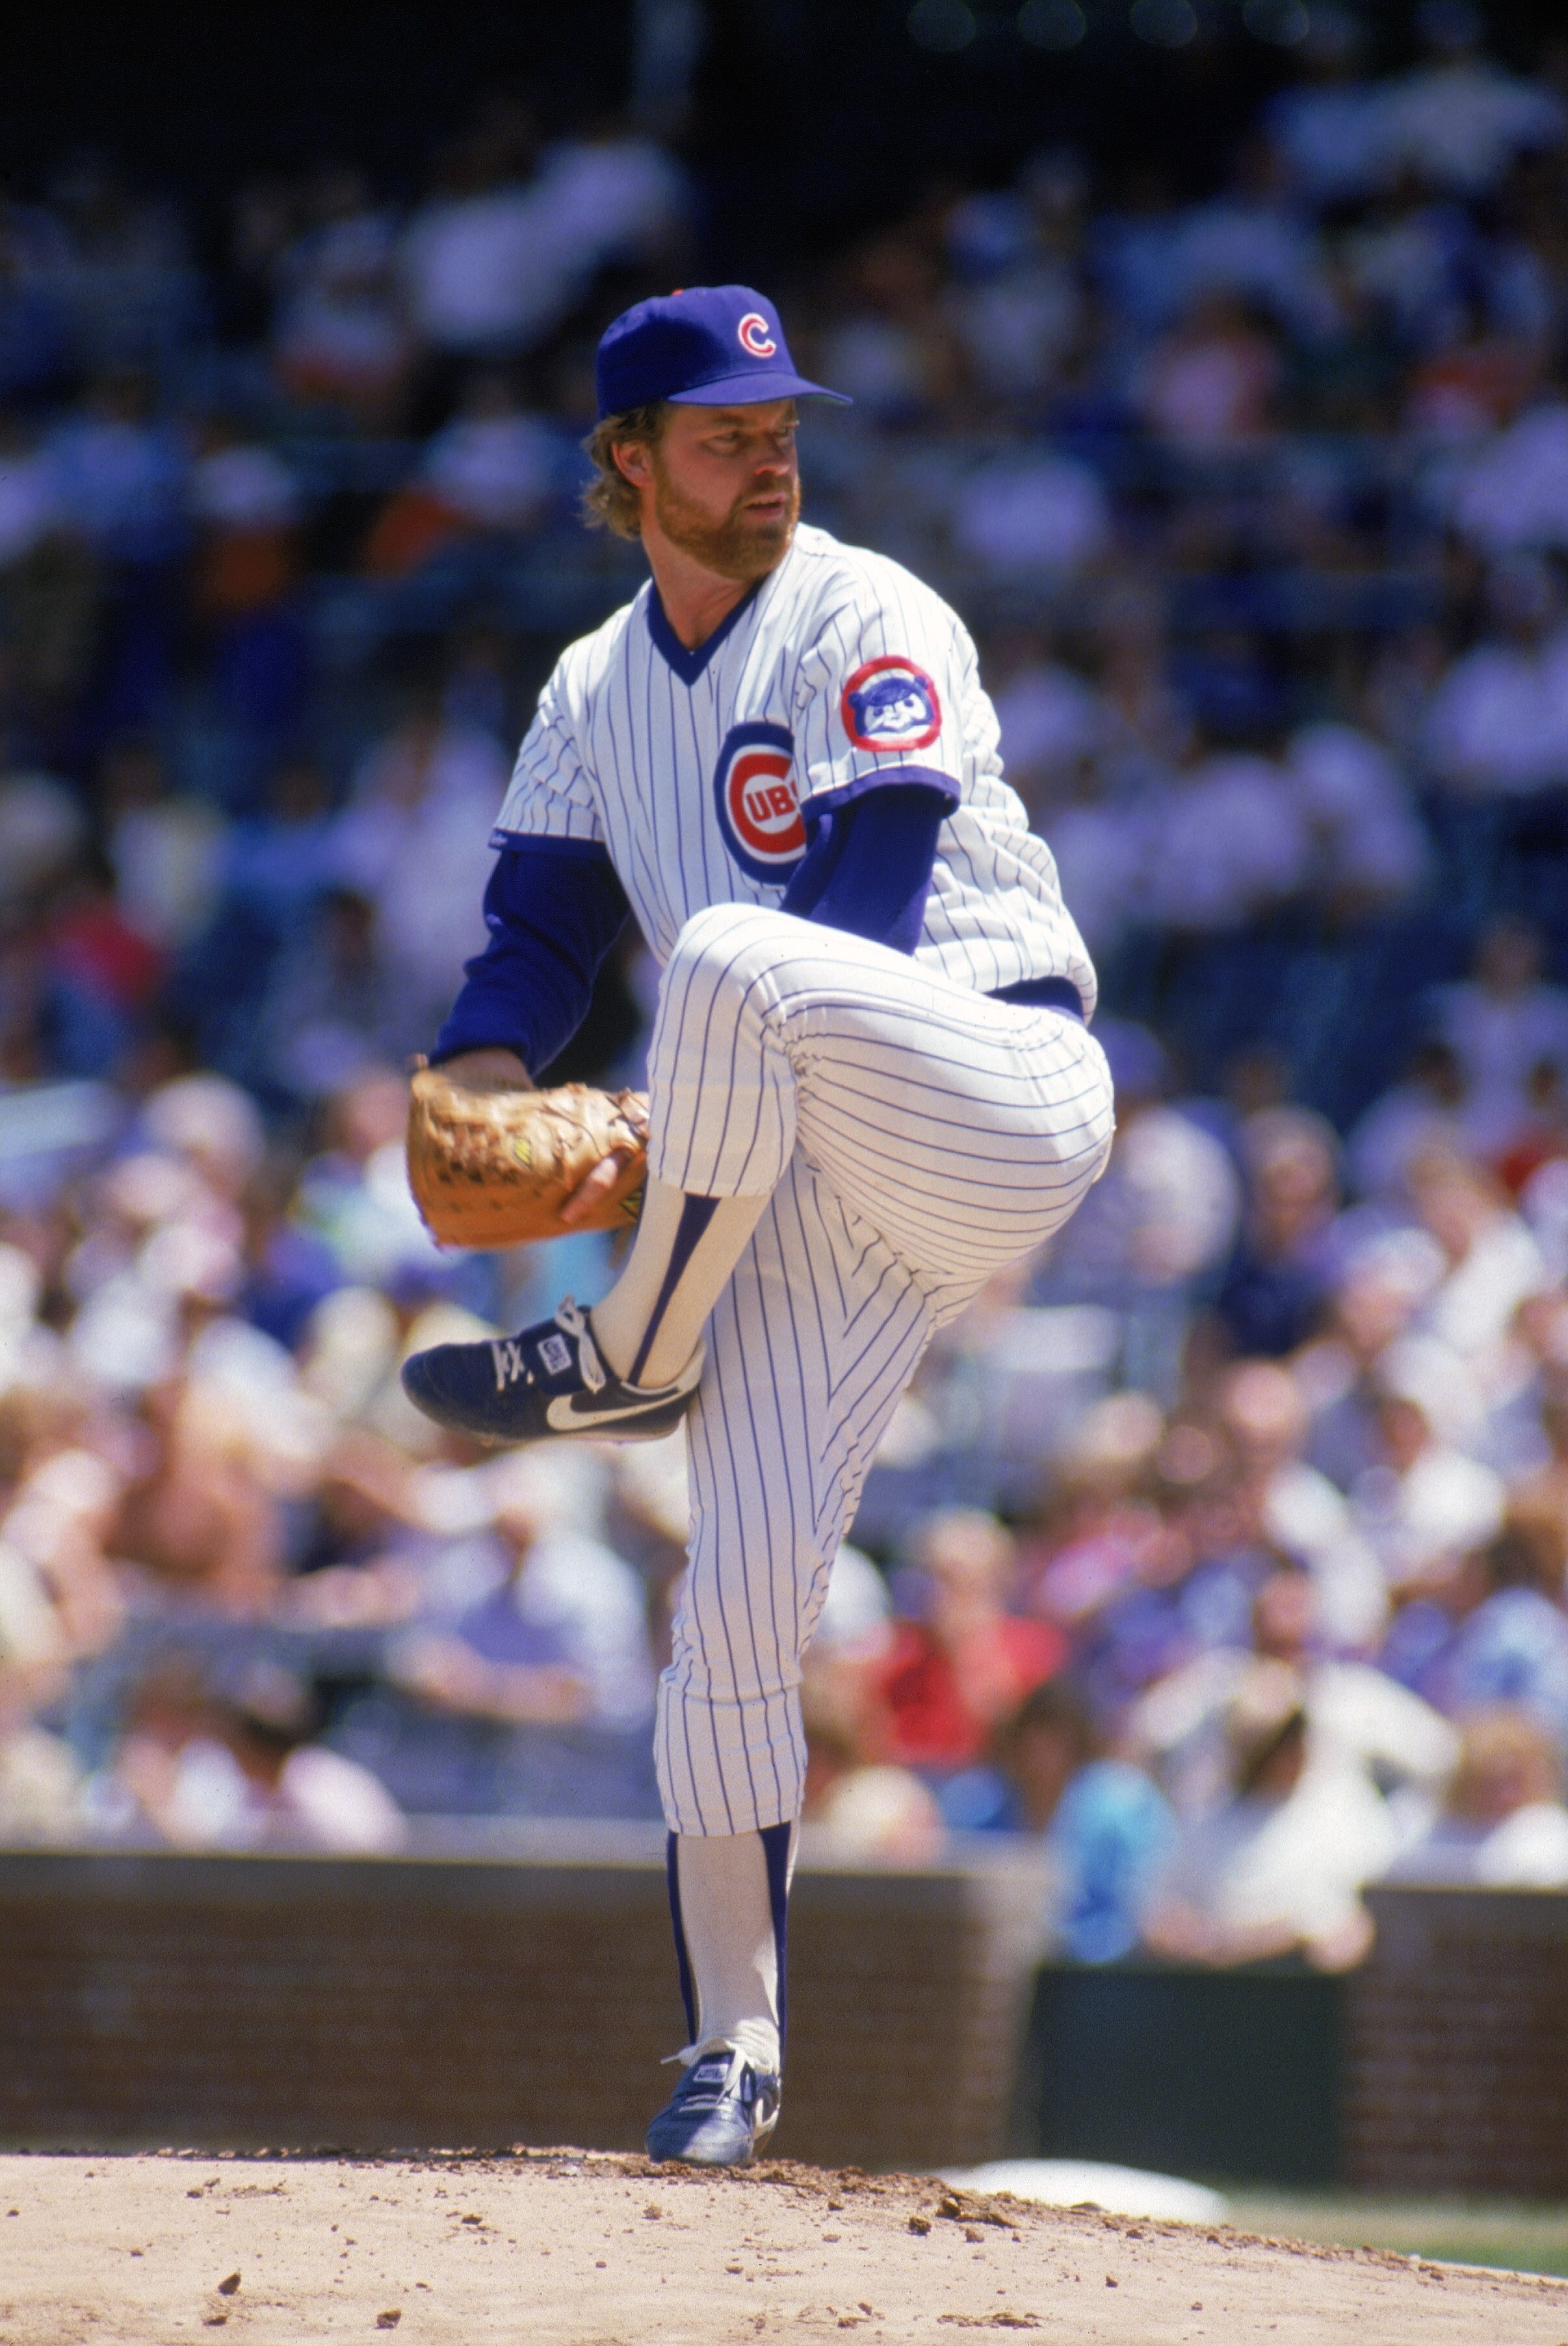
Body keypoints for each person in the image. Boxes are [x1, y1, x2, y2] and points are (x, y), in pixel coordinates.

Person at [399, 285, 1114, 2165]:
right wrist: (476, 1082)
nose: (771, 450)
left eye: (784, 419)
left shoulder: (872, 610)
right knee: (732, 1606)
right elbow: (535, 943)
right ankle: (732, 2047)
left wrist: (659, 1131)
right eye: (727, 430)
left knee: (729, 949)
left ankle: (629, 1343)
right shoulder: (588, 687)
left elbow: (863, 909)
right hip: (788, 1183)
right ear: (626, 464)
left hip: (987, 1085)